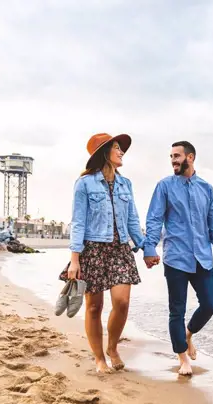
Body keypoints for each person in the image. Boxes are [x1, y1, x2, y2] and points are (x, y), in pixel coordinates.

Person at [143, 140, 213, 376]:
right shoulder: (164, 186)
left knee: (210, 305)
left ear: (190, 157)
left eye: (177, 156)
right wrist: (150, 248)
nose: (173, 160)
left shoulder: (207, 189)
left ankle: (188, 334)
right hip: (176, 258)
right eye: (171, 156)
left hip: (203, 258)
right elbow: (154, 219)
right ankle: (183, 358)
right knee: (176, 311)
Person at [59, 132, 144, 373]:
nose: (121, 152)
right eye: (117, 148)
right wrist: (74, 260)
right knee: (94, 307)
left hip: (119, 250)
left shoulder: (126, 184)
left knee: (122, 302)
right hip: (93, 249)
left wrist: (146, 248)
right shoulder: (84, 183)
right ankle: (99, 358)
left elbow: (133, 220)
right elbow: (78, 222)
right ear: (104, 153)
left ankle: (113, 346)